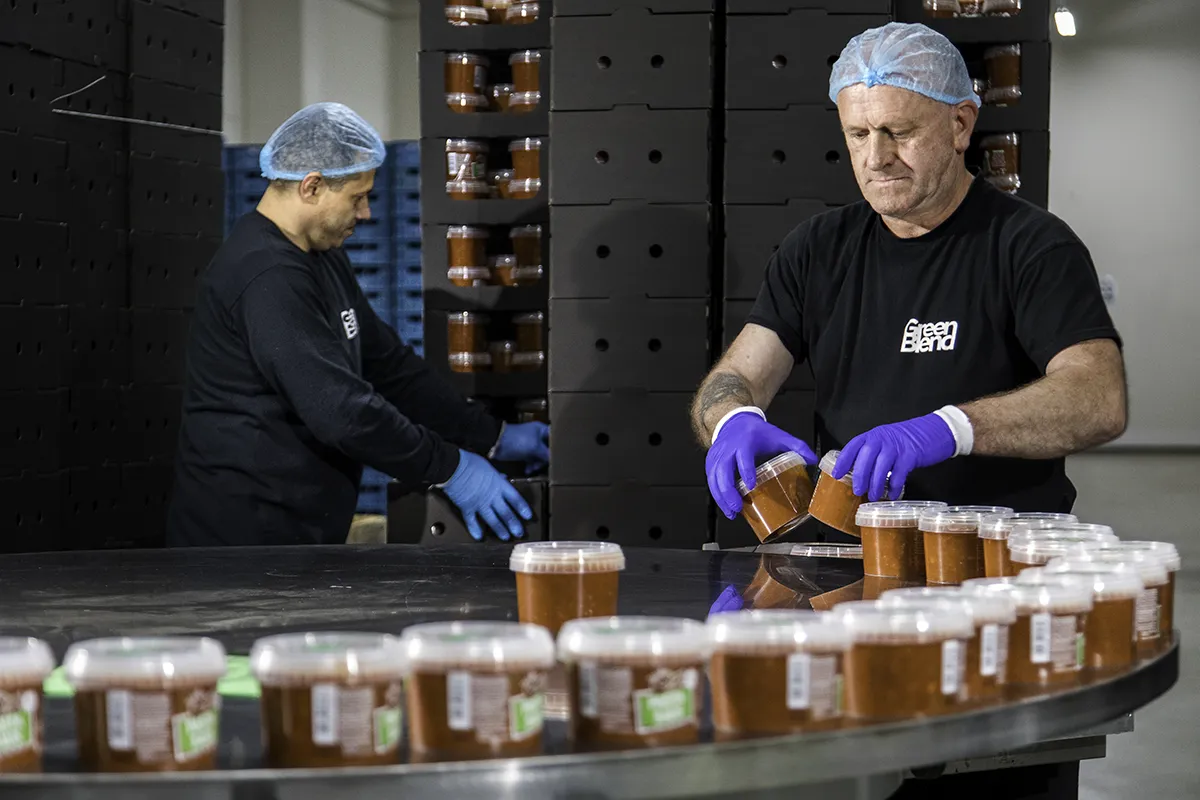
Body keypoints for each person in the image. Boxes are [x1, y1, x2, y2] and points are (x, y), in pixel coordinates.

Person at [693, 23, 1126, 524]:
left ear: (960, 125)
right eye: (858, 135)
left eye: (899, 133)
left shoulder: (1030, 246)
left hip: (997, 558)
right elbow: (739, 373)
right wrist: (733, 418)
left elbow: (1097, 398)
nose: (876, 159)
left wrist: (949, 430)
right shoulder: (816, 249)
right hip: (857, 553)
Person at [167, 102, 547, 547]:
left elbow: (388, 366)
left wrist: (492, 437)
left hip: (299, 530)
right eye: (357, 197)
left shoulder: (322, 256)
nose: (365, 214)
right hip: (244, 539)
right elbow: (342, 412)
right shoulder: (266, 275)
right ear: (311, 187)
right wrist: (450, 469)